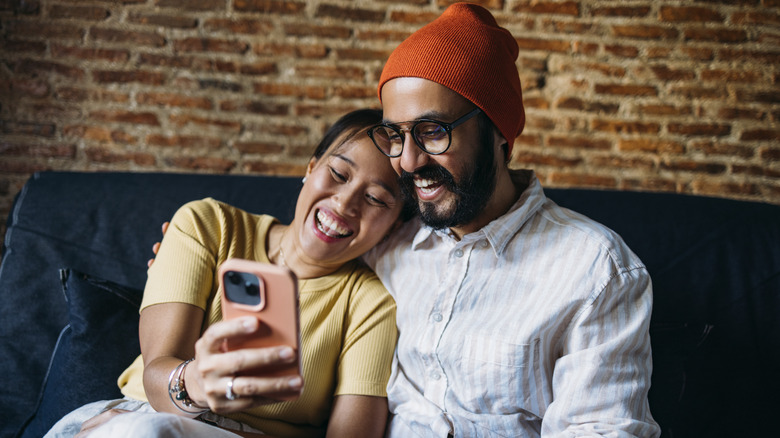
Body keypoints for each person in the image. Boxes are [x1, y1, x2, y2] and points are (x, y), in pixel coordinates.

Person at [358, 3, 660, 437]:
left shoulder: (596, 269)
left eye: (432, 131)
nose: (408, 161)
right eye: (396, 134)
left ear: (499, 130)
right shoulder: (389, 241)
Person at [45, 109, 412, 438]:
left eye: (376, 198)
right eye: (337, 173)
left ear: (395, 225)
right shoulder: (207, 225)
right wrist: (199, 383)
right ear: (311, 168)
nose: (345, 203)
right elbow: (156, 378)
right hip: (146, 418)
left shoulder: (372, 303)